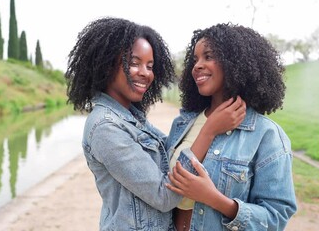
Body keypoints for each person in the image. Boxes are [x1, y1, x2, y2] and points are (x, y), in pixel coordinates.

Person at [64, 17, 246, 230]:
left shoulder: (131, 118)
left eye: (150, 66)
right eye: (133, 62)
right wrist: (210, 130)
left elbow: (169, 156)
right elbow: (164, 196)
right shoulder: (106, 127)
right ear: (106, 65)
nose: (145, 73)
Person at [165, 23, 297, 231]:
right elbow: (165, 188)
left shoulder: (267, 136)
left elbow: (276, 217)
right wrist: (209, 129)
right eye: (195, 59)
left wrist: (214, 199)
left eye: (208, 56)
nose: (197, 66)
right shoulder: (182, 124)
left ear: (234, 63)